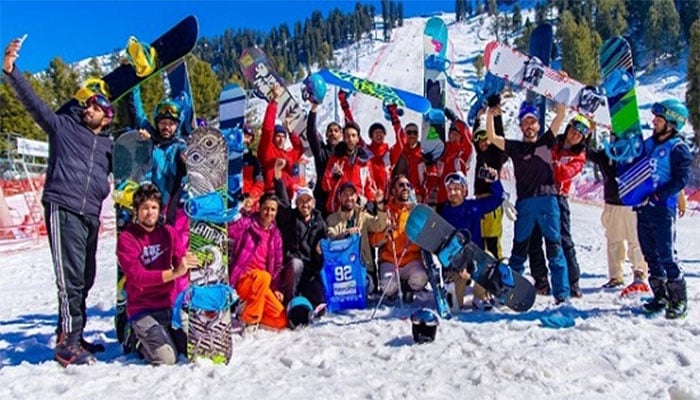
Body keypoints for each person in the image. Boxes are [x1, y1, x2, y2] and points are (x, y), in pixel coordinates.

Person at [4, 38, 113, 365]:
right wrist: (11, 71)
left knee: (87, 276)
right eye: (87, 105)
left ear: (106, 116)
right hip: (63, 205)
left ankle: (72, 335)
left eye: (95, 107)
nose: (88, 110)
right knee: (70, 278)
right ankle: (68, 344)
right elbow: (35, 105)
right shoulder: (64, 127)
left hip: (90, 214)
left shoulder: (108, 145)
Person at [486, 101, 570, 304]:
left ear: (538, 125)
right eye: (526, 122)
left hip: (548, 202)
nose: (530, 126)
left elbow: (560, 117)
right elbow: (492, 138)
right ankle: (508, 293)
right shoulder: (515, 147)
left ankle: (562, 296)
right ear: (521, 126)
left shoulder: (547, 141)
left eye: (533, 122)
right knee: (518, 252)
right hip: (525, 204)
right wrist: (490, 116)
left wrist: (560, 100)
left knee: (555, 249)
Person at [116, 183, 198, 365]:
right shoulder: (127, 238)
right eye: (144, 208)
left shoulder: (168, 233)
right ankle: (135, 340)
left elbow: (179, 260)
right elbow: (136, 277)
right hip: (142, 309)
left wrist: (193, 261)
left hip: (168, 306)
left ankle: (164, 334)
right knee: (167, 359)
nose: (150, 212)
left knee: (192, 350)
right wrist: (174, 273)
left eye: (154, 207)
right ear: (136, 211)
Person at [637, 99, 692, 319]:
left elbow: (681, 180)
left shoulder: (678, 148)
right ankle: (660, 295)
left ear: (672, 122)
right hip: (643, 207)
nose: (654, 122)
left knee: (666, 254)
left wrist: (658, 195)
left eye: (658, 119)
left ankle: (678, 300)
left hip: (662, 208)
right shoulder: (650, 144)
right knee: (649, 254)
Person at [528, 114, 591, 297]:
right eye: (573, 130)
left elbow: (564, 174)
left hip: (558, 197)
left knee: (563, 239)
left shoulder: (578, 156)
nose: (574, 136)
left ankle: (573, 281)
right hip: (539, 194)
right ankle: (540, 279)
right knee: (534, 237)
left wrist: (551, 161)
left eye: (579, 135)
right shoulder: (554, 142)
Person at [587, 134, 649, 293]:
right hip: (612, 202)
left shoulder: (638, 153)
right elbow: (587, 153)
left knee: (635, 240)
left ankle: (639, 272)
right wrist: (588, 134)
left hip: (632, 202)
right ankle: (615, 276)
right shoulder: (605, 155)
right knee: (614, 240)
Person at [440, 170, 504, 310]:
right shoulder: (444, 212)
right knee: (455, 307)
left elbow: (497, 199)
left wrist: (494, 181)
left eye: (457, 189)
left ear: (464, 190)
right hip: (455, 262)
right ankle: (452, 291)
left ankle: (480, 296)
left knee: (489, 258)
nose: (453, 192)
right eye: (450, 189)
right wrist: (452, 266)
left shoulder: (474, 206)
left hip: (475, 256)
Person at [272, 159, 328, 307]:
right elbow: (281, 198)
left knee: (321, 300)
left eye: (308, 200)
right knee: (296, 265)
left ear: (313, 203)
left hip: (311, 272)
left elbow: (325, 247)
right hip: (293, 268)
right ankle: (289, 300)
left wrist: (319, 252)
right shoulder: (290, 218)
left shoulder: (320, 223)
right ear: (296, 204)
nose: (305, 204)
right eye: (301, 201)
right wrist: (278, 176)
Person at [228, 193, 288, 329]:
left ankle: (247, 310)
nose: (269, 213)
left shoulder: (276, 234)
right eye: (266, 208)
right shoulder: (247, 223)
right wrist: (238, 211)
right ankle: (250, 321)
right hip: (244, 281)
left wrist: (276, 288)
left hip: (263, 285)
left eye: (273, 210)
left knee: (280, 320)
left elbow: (278, 265)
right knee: (263, 276)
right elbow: (229, 230)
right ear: (259, 208)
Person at [368, 174, 428, 302]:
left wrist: (416, 237)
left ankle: (408, 287)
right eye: (401, 185)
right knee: (388, 287)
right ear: (394, 190)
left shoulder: (414, 211)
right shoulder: (386, 211)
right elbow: (373, 241)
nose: (405, 188)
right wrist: (384, 236)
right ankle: (395, 288)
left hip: (411, 260)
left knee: (421, 278)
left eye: (408, 185)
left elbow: (425, 239)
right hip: (390, 260)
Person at [326, 182, 389, 292]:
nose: (349, 198)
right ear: (339, 197)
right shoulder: (332, 219)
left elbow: (379, 225)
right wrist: (346, 233)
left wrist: (379, 205)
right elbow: (330, 236)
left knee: (363, 285)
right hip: (343, 269)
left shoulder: (363, 216)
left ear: (356, 197)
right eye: (345, 194)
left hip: (364, 268)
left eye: (352, 194)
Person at [473, 112, 509, 259]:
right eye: (479, 139)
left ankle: (498, 266)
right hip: (479, 201)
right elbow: (475, 140)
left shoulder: (496, 154)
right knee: (480, 239)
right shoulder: (480, 154)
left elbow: (500, 136)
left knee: (492, 239)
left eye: (485, 138)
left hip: (492, 201)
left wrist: (497, 116)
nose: (482, 142)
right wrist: (477, 119)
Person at [259, 86, 305, 197]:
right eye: (277, 136)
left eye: (283, 137)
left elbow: (299, 149)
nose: (280, 139)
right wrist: (274, 102)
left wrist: (290, 132)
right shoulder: (267, 151)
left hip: (287, 197)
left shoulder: (288, 154)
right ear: (273, 138)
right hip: (272, 194)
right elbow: (267, 129)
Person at [321, 121, 376, 213]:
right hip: (339, 207)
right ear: (343, 137)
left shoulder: (364, 162)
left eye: (353, 136)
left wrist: (370, 202)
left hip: (358, 206)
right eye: (347, 136)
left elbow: (369, 186)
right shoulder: (335, 159)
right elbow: (325, 186)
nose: (350, 139)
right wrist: (334, 178)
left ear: (358, 138)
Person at [307, 101, 343, 217]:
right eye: (330, 131)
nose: (333, 133)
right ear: (326, 134)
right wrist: (313, 109)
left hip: (341, 198)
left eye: (336, 131)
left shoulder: (345, 152)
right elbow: (311, 134)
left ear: (341, 134)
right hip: (322, 198)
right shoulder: (321, 151)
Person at [241, 124, 265, 209]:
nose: (247, 141)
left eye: (250, 139)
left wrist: (251, 198)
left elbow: (259, 183)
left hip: (246, 201)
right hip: (228, 199)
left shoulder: (253, 160)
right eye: (246, 136)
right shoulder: (225, 157)